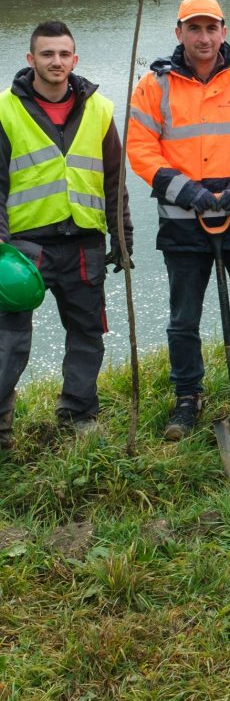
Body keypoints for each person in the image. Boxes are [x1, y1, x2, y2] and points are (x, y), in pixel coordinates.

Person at [127, 0, 230, 440]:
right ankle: (188, 397)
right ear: (179, 33)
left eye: (211, 28)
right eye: (194, 29)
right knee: (183, 317)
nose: (204, 37)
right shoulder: (154, 86)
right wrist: (189, 192)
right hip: (184, 222)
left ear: (224, 31)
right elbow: (140, 147)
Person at [0, 22, 132, 447]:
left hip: (84, 245)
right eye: (47, 54)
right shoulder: (5, 111)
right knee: (8, 341)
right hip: (23, 249)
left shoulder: (101, 110)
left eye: (63, 54)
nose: (56, 62)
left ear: (75, 59)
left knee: (87, 335)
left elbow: (114, 180)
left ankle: (77, 413)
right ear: (30, 60)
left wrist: (121, 236)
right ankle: (1, 422)